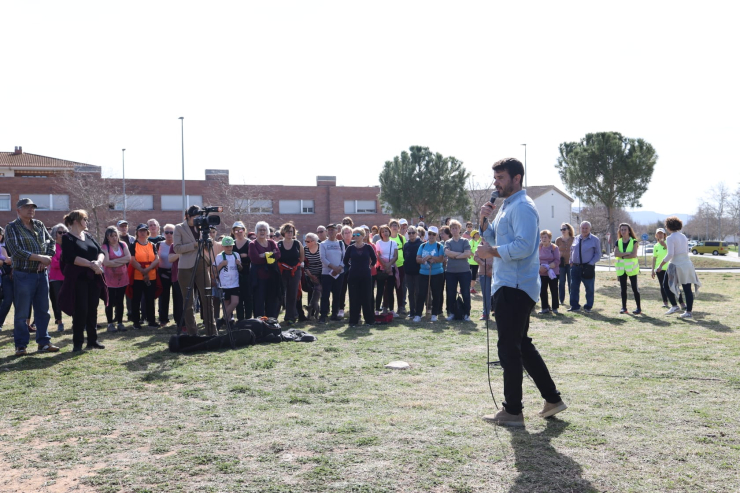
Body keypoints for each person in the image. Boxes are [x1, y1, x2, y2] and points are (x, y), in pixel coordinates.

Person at [478, 158, 566, 427]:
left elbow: (525, 247)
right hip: (508, 284)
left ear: (517, 178)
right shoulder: (506, 207)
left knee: (508, 348)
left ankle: (513, 411)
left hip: (515, 287)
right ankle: (552, 399)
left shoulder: (524, 207)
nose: (496, 183)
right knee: (521, 346)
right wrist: (484, 220)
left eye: (501, 177)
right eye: (495, 178)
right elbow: (495, 239)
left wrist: (491, 253)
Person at [5, 198, 59, 356]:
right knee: (22, 312)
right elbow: (16, 251)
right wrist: (39, 258)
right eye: (26, 207)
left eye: (33, 207)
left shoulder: (39, 224)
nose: (31, 210)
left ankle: (44, 342)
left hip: (41, 275)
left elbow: (51, 242)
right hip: (23, 275)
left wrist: (46, 258)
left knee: (43, 311)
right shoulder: (12, 227)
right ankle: (21, 345)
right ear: (18, 210)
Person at [60, 210, 106, 351]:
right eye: (84, 219)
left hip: (93, 278)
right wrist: (91, 265)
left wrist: (98, 262)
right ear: (76, 221)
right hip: (78, 280)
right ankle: (78, 343)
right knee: (81, 311)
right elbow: (70, 258)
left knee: (92, 309)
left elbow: (101, 252)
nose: (87, 222)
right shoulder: (67, 238)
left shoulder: (88, 236)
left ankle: (92, 341)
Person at [173, 206, 217, 336]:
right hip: (185, 267)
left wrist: (209, 241)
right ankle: (192, 333)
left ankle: (211, 332)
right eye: (194, 218)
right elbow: (177, 248)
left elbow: (209, 248)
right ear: (187, 216)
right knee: (188, 303)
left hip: (202, 264)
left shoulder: (203, 226)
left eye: (198, 217)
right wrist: (195, 244)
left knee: (207, 298)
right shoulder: (179, 228)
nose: (197, 220)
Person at [658, 216, 701, 318]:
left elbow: (670, 254)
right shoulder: (683, 236)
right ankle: (689, 312)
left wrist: (660, 266)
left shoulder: (670, 238)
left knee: (666, 285)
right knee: (687, 289)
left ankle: (674, 305)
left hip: (676, 265)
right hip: (687, 264)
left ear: (668, 226)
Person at [343, 227, 377, 327]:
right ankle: (353, 321)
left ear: (363, 236)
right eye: (354, 235)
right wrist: (351, 267)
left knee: (366, 298)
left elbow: (374, 259)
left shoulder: (368, 247)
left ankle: (369, 320)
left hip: (366, 276)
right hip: (353, 276)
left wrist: (369, 267)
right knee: (354, 298)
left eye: (358, 235)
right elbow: (345, 261)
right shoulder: (350, 248)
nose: (355, 237)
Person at [249, 221, 282, 318]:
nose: (262, 232)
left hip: (272, 277)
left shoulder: (271, 242)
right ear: (256, 232)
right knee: (259, 301)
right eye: (260, 230)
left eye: (264, 230)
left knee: (272, 301)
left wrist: (263, 255)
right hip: (258, 278)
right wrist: (271, 255)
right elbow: (255, 259)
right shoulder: (252, 244)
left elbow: (278, 255)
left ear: (267, 231)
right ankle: (259, 323)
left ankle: (271, 322)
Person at [129, 223, 160, 329]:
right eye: (140, 231)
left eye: (144, 231)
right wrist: (143, 271)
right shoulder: (133, 244)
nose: (142, 233)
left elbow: (157, 259)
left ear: (148, 233)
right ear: (137, 232)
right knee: (136, 299)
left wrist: (147, 270)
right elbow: (132, 261)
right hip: (138, 276)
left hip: (151, 275)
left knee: (150, 299)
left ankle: (151, 321)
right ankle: (136, 322)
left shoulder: (152, 244)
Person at [102, 226, 131, 332]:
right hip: (109, 279)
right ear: (107, 237)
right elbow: (106, 262)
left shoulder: (123, 244)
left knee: (120, 301)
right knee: (109, 301)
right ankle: (110, 323)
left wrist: (114, 262)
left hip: (122, 277)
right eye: (111, 236)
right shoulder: (105, 247)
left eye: (115, 235)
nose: (114, 238)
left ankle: (120, 322)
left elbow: (128, 258)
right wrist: (120, 261)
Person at [568, 221, 601, 313]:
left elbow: (598, 254)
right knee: (574, 287)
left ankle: (588, 306)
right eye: (583, 228)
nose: (584, 230)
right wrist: (570, 260)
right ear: (580, 228)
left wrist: (591, 263)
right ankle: (574, 306)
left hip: (587, 267)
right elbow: (572, 250)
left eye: (586, 228)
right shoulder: (576, 238)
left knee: (589, 288)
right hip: (575, 267)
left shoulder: (595, 239)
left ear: (590, 229)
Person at [414, 226, 444, 322]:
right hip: (423, 273)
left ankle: (434, 314)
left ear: (436, 235)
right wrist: (424, 259)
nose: (431, 236)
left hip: (437, 273)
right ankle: (418, 314)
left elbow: (441, 259)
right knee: (421, 294)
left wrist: (431, 257)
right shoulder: (422, 246)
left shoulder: (440, 246)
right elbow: (417, 259)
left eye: (433, 234)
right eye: (430, 234)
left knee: (436, 294)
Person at [444, 220, 473, 321]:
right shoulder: (448, 242)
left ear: (460, 229)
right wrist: (460, 254)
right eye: (453, 228)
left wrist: (455, 255)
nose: (455, 230)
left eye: (456, 228)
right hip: (451, 272)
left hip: (464, 271)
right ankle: (452, 313)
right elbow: (447, 253)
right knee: (451, 293)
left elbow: (468, 253)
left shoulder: (465, 241)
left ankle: (466, 314)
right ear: (450, 230)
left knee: (465, 293)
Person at [652, 228, 685, 309]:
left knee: (674, 285)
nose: (660, 235)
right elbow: (654, 258)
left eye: (661, 233)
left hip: (670, 268)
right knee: (663, 286)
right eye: (658, 234)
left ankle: (681, 303)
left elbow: (672, 253)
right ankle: (665, 302)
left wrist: (665, 245)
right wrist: (652, 269)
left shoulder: (668, 242)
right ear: (656, 235)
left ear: (664, 234)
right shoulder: (655, 246)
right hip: (660, 269)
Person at [277, 222, 304, 324]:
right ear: (283, 232)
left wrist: (294, 267)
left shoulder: (297, 243)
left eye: (291, 231)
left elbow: (301, 258)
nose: (289, 233)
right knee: (280, 294)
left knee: (292, 294)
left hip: (294, 272)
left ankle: (290, 317)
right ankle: (275, 315)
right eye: (287, 231)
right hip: (282, 272)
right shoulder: (278, 244)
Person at [157, 224, 182, 327]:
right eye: (166, 232)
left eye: (171, 232)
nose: (169, 234)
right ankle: (163, 319)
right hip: (163, 273)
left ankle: (178, 319)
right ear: (163, 233)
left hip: (177, 273)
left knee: (177, 297)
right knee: (163, 297)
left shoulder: (179, 245)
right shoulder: (159, 244)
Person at [318, 223, 345, 323]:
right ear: (326, 232)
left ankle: (334, 314)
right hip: (327, 273)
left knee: (337, 294)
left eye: (333, 229)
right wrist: (333, 267)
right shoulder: (323, 244)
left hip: (339, 273)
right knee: (325, 295)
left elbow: (344, 258)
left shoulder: (341, 244)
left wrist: (339, 268)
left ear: (337, 231)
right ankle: (323, 315)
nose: (331, 231)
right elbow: (323, 258)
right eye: (329, 230)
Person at [614, 223, 642, 315]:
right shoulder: (618, 241)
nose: (623, 231)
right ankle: (624, 308)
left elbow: (634, 254)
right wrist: (627, 254)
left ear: (629, 231)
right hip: (621, 269)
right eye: (621, 230)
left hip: (632, 269)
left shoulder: (634, 241)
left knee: (635, 288)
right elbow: (616, 254)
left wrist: (622, 255)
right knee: (623, 289)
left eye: (625, 229)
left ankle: (638, 308)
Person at [214, 236, 242, 323]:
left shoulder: (236, 255)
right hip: (224, 284)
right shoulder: (219, 256)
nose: (229, 248)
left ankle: (222, 320)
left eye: (230, 246)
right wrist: (222, 264)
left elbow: (240, 269)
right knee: (226, 303)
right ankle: (229, 322)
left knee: (235, 302)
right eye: (227, 246)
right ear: (222, 246)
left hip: (235, 283)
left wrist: (239, 264)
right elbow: (214, 270)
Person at [374, 224, 398, 315]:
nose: (385, 233)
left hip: (391, 268)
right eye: (383, 231)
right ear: (380, 233)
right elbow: (378, 255)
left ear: (389, 232)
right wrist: (384, 265)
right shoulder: (378, 243)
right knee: (380, 289)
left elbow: (396, 256)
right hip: (381, 269)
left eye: (386, 231)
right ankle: (377, 310)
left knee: (390, 290)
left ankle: (391, 310)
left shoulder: (393, 243)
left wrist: (389, 265)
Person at [48, 223, 67, 332]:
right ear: (55, 234)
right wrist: (65, 261)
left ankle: (76, 321)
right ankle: (59, 321)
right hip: (55, 278)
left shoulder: (68, 245)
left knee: (72, 298)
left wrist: (62, 260)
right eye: (60, 232)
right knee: (57, 301)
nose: (62, 234)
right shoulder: (52, 246)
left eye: (64, 232)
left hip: (68, 277)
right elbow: (54, 264)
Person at [231, 221, 252, 321]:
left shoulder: (250, 243)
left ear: (244, 230)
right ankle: (240, 319)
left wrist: (247, 256)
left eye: (240, 230)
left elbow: (254, 257)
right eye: (236, 230)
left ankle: (248, 319)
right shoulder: (232, 244)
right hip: (235, 273)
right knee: (238, 297)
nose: (238, 232)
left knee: (248, 297)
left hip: (247, 272)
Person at [538, 229, 560, 314]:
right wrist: (540, 267)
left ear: (549, 238)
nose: (543, 239)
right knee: (542, 290)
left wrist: (548, 267)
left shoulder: (554, 248)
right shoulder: (539, 247)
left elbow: (557, 261)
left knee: (554, 290)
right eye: (542, 237)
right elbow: (536, 260)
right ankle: (545, 308)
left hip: (553, 273)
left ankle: (555, 308)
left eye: (545, 237)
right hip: (541, 272)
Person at [402, 225, 422, 320]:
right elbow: (405, 257)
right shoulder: (406, 245)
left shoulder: (421, 244)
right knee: (410, 292)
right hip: (408, 272)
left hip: (418, 272)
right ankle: (412, 311)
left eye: (413, 232)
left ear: (417, 233)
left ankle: (418, 311)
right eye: (409, 233)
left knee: (418, 292)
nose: (411, 235)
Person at [389, 219, 407, 316]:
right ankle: (388, 307)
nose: (394, 227)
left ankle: (401, 307)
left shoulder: (401, 238)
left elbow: (405, 250)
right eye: (393, 225)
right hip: (389, 266)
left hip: (401, 265)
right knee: (389, 287)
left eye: (396, 225)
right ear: (390, 227)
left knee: (400, 287)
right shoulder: (387, 238)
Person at [302, 233, 323, 318]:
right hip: (310, 274)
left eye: (308, 241)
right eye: (305, 241)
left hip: (321, 273)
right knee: (311, 293)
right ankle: (310, 313)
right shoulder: (305, 249)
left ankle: (322, 311)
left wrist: (318, 276)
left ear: (314, 241)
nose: (306, 243)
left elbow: (324, 260)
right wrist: (311, 276)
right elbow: (305, 264)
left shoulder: (321, 247)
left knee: (321, 293)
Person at [555, 223, 575, 307]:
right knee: (561, 282)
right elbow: (555, 251)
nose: (563, 231)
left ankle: (572, 300)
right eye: (561, 229)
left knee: (571, 282)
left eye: (564, 229)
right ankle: (561, 300)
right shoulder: (558, 240)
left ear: (569, 230)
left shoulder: (574, 239)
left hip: (571, 264)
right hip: (561, 264)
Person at [474, 238, 493, 320]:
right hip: (482, 273)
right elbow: (475, 257)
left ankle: (495, 310)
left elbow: (499, 258)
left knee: (496, 294)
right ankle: (486, 313)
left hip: (494, 273)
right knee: (486, 294)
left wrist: (492, 268)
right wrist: (482, 263)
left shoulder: (494, 246)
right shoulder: (479, 247)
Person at [0, 227, 15, 331]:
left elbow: (7, 260)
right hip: (4, 277)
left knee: (8, 300)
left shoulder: (3, 248)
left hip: (6, 276)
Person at [338, 225, 354, 318]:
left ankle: (354, 309)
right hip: (343, 271)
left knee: (353, 291)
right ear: (342, 235)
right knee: (342, 290)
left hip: (354, 271)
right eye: (345, 233)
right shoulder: (339, 244)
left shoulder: (355, 243)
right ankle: (341, 309)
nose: (347, 234)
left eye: (349, 232)